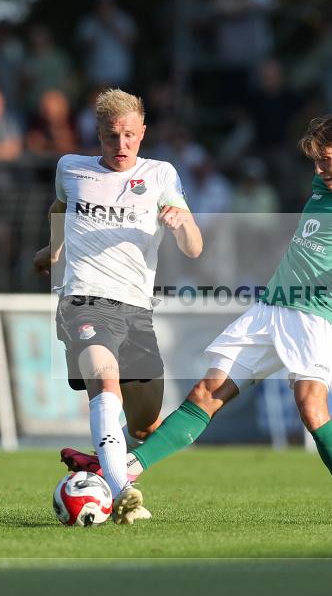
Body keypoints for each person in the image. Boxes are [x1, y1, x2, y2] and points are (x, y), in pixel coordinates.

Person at [62, 113, 332, 525]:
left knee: (311, 409)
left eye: (325, 159)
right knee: (205, 394)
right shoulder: (322, 186)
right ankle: (121, 468)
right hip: (270, 307)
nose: (318, 169)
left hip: (316, 318)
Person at [32, 88, 203, 523]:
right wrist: (52, 250)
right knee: (105, 380)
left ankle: (103, 464)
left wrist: (182, 225)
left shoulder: (161, 174)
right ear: (99, 134)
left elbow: (195, 247)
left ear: (143, 132)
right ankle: (121, 489)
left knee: (146, 424)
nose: (121, 145)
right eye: (112, 137)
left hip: (137, 311)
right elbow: (60, 206)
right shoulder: (71, 168)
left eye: (129, 135)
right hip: (83, 300)